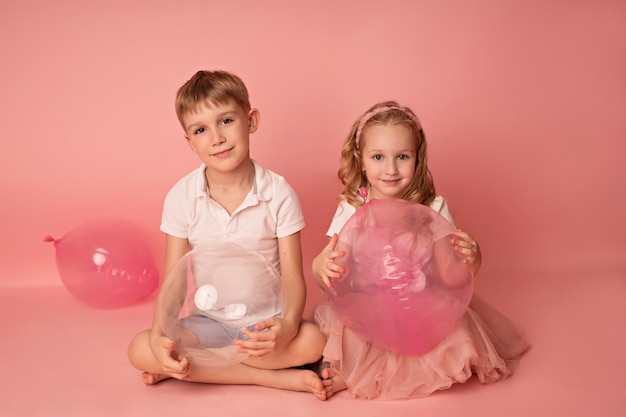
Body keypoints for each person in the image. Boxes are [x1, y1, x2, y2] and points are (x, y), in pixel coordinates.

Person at [127, 70, 327, 400]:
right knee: (141, 349)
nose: (216, 138)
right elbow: (174, 282)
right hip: (208, 323)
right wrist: (161, 338)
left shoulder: (278, 192)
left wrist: (288, 325)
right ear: (190, 142)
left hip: (264, 326)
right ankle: (266, 377)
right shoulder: (182, 196)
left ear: (251, 120)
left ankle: (203, 372)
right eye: (201, 130)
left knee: (313, 343)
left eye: (226, 121)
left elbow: (293, 278)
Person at [312, 101, 530, 400]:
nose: (390, 169)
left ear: (417, 159)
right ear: (361, 159)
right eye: (378, 157)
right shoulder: (352, 208)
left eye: (402, 156)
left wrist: (472, 261)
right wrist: (321, 266)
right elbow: (332, 269)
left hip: (419, 302)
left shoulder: (433, 207)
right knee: (350, 332)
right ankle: (353, 371)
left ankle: (365, 374)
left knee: (452, 337)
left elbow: (451, 276)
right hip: (367, 302)